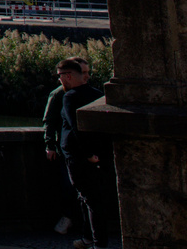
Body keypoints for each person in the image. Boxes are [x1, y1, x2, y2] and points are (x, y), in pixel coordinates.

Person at [56, 57, 116, 249]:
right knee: (92, 200)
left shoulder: (70, 96)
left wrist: (87, 154)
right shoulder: (97, 94)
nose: (59, 80)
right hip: (98, 155)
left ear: (67, 76)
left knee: (91, 201)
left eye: (60, 76)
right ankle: (90, 239)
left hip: (80, 157)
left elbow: (76, 127)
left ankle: (98, 243)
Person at [43, 80, 78, 235]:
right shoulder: (58, 94)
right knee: (68, 186)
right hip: (65, 149)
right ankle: (67, 217)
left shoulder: (89, 92)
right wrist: (49, 145)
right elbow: (49, 121)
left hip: (81, 149)